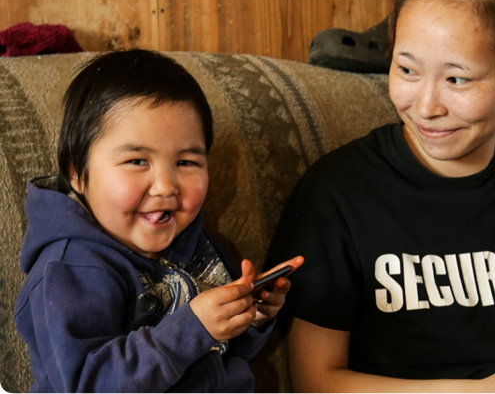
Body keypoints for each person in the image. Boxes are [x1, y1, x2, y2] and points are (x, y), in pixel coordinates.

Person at [264, 0, 495, 393]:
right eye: (407, 70)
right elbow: (318, 381)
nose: (426, 107)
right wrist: (486, 391)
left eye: (457, 79)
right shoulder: (335, 196)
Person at [13, 49, 303, 394]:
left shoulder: (205, 250)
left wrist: (251, 320)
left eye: (186, 163)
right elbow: (89, 386)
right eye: (137, 161)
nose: (166, 187)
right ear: (77, 173)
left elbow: (225, 356)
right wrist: (192, 328)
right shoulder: (70, 270)